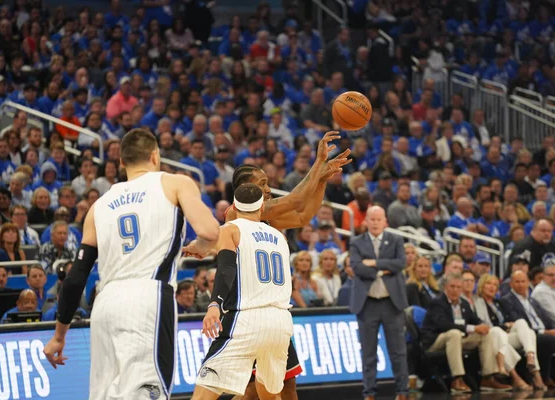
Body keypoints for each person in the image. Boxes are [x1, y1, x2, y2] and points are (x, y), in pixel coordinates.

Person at [43, 128, 220, 399]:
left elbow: (76, 277)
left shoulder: (98, 206)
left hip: (105, 303)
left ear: (122, 163)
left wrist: (59, 336)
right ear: (155, 156)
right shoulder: (175, 183)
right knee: (145, 392)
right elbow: (209, 232)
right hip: (148, 297)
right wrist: (201, 247)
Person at [223, 131, 350, 400]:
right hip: (250, 312)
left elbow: (303, 214)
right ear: (244, 189)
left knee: (286, 385)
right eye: (262, 183)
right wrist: (318, 165)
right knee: (252, 390)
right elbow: (294, 200)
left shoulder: (267, 216)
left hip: (274, 313)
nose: (268, 189)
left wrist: (324, 179)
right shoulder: (238, 212)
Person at [191, 183, 293, 400]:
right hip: (280, 322)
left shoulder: (231, 229)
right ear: (262, 206)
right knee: (270, 395)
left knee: (203, 393)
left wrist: (214, 305)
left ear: (233, 207)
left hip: (247, 319)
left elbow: (226, 269)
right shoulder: (280, 238)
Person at [349, 205, 409, 400]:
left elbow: (401, 263)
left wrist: (374, 263)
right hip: (367, 304)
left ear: (385, 221)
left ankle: (402, 392)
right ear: (366, 221)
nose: (375, 223)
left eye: (378, 219)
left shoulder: (396, 239)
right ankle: (369, 393)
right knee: (368, 353)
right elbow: (357, 267)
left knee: (398, 351)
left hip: (392, 303)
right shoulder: (356, 242)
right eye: (372, 219)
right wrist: (385, 268)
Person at [422, 273, 511, 392]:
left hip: (459, 339)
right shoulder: (437, 302)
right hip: (436, 340)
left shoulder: (463, 303)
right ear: (445, 287)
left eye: (458, 287)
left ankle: (488, 378)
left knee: (485, 334)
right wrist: (473, 328)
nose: (455, 290)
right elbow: (444, 325)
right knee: (454, 333)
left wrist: (482, 326)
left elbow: (475, 320)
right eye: (452, 287)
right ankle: (457, 379)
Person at [473, 274, 545, 390]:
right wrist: (505, 326)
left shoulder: (498, 303)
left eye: (495, 285)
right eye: (488, 284)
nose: (492, 287)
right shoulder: (478, 302)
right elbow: (485, 325)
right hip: (490, 336)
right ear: (481, 286)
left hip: (504, 336)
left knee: (524, 326)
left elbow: (507, 321)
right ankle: (515, 376)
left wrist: (509, 325)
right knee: (497, 332)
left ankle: (533, 364)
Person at [500, 271, 555, 387]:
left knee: (549, 337)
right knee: (547, 339)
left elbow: (546, 319)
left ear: (528, 283)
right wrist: (544, 331)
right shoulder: (507, 301)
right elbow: (518, 322)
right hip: (528, 334)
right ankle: (544, 377)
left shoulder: (532, 301)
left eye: (523, 281)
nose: (520, 284)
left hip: (543, 331)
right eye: (517, 281)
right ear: (511, 284)